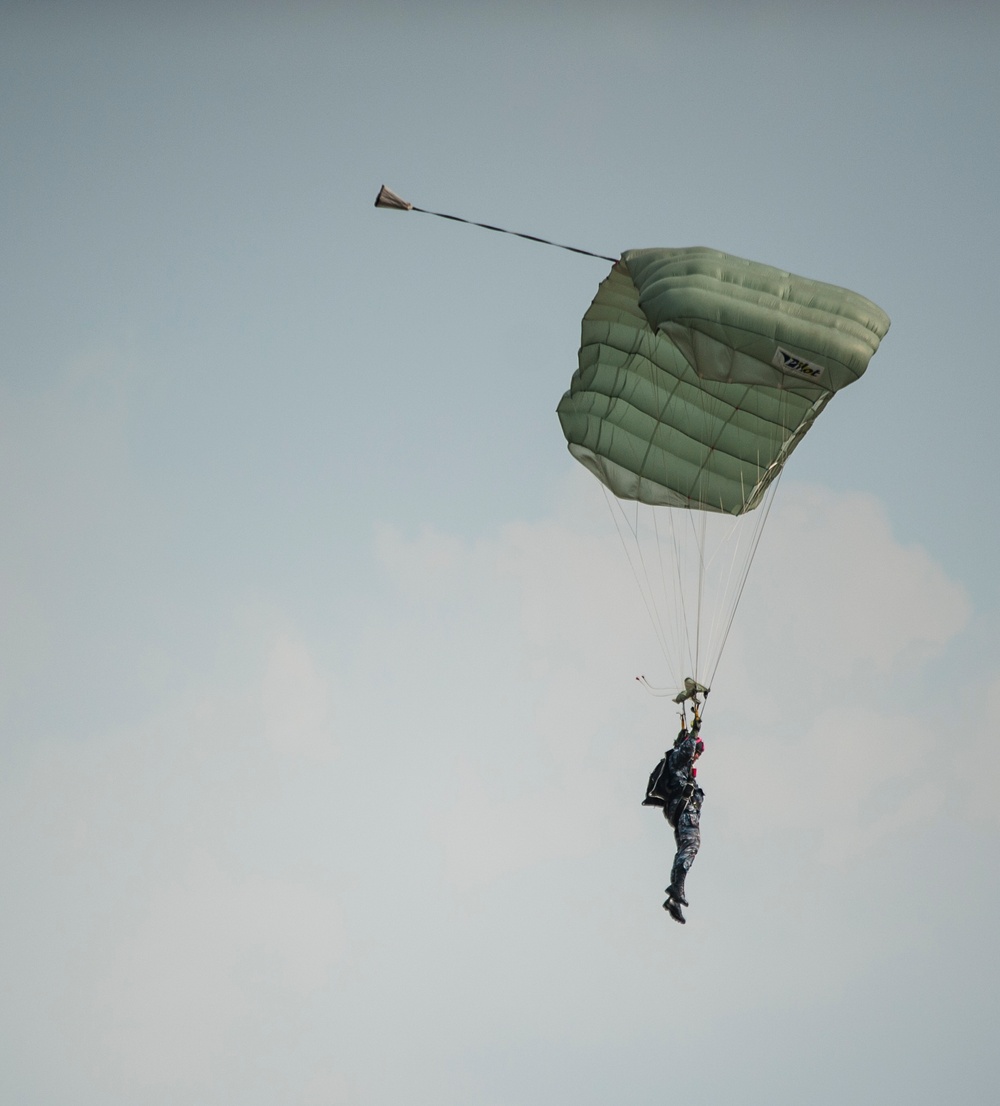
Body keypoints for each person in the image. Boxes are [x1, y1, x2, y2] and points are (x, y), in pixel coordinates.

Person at [642, 712, 705, 924]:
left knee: (684, 850)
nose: (697, 756)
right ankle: (677, 889)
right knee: (691, 845)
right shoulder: (679, 759)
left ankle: (674, 898)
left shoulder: (681, 765)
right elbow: (686, 750)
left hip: (681, 813)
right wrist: (694, 733)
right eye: (697, 752)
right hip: (684, 812)